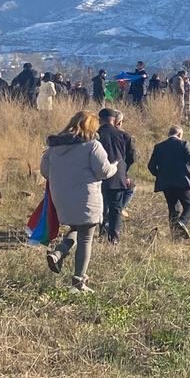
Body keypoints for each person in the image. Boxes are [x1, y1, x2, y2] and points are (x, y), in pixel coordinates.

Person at [41, 111, 117, 293]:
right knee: (85, 237)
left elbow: (45, 171)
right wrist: (115, 167)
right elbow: (104, 172)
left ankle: (58, 253)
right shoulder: (92, 146)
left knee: (77, 228)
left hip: (61, 198)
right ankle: (78, 281)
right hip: (86, 197)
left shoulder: (54, 147)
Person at [147, 125, 190, 239]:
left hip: (166, 183)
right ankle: (181, 223)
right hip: (182, 182)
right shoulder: (183, 144)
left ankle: (176, 238)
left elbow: (151, 166)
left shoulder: (159, 147)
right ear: (179, 135)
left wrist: (160, 175)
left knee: (173, 209)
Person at [97, 108, 137, 245]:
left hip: (98, 175)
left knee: (100, 205)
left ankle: (101, 230)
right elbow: (132, 157)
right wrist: (124, 170)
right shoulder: (124, 136)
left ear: (100, 120)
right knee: (116, 208)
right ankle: (113, 238)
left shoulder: (96, 135)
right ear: (114, 120)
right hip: (117, 175)